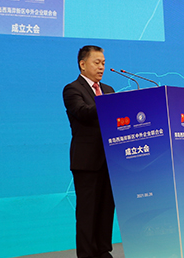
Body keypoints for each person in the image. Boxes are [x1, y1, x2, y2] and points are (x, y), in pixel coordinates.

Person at [63, 45, 116, 258]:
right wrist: (109, 103)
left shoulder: (109, 90)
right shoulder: (72, 89)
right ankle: (86, 254)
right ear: (82, 64)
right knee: (87, 211)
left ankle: (103, 250)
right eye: (97, 62)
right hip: (86, 161)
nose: (101, 67)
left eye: (103, 63)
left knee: (106, 209)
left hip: (110, 160)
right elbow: (82, 112)